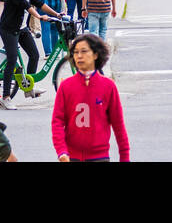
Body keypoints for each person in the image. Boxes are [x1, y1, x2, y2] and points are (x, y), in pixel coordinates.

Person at [50, 33, 130, 162]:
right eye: (75, 52)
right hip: (71, 156)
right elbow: (57, 122)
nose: (79, 56)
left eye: (84, 51)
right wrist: (61, 152)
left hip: (100, 156)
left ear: (96, 54)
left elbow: (118, 124)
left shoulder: (108, 86)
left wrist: (124, 157)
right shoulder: (65, 86)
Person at [0, 0, 61, 108]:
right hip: (9, 29)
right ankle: (6, 97)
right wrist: (39, 17)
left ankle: (28, 88)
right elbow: (25, 5)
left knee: (34, 55)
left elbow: (38, 2)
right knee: (12, 60)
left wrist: (56, 14)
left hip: (21, 29)